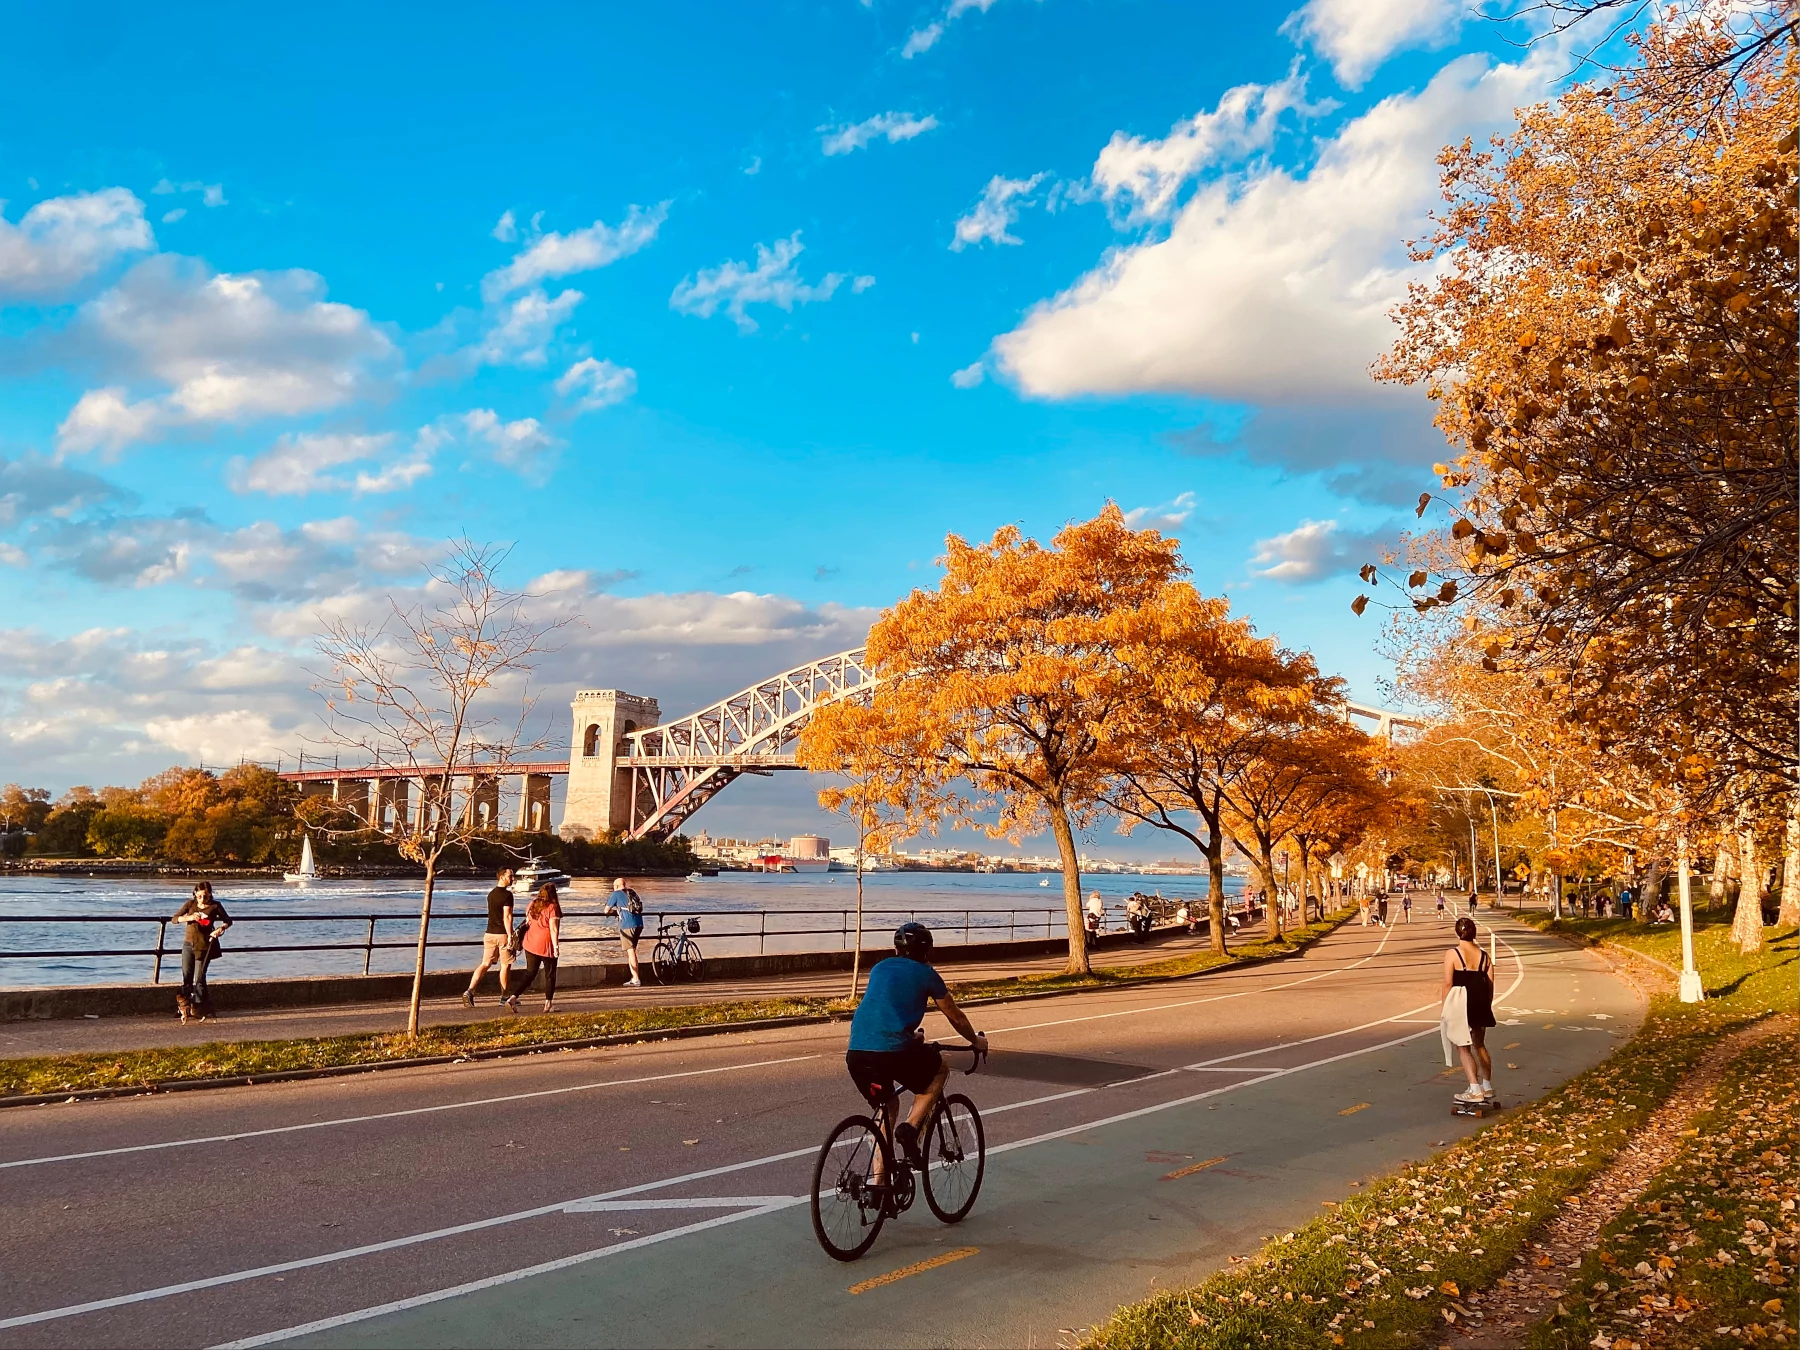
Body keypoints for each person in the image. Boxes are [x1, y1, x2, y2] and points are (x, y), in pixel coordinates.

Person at [845, 923, 986, 1174]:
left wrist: (909, 1038)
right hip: (892, 1050)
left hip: (857, 1051)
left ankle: (879, 1184)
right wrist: (976, 1041)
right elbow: (955, 1016)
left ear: (896, 949)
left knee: (887, 1107)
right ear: (927, 951)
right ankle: (910, 1129)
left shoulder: (879, 968)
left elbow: (884, 1010)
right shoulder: (926, 974)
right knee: (940, 1069)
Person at [1440, 916, 1497, 1103]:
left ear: (1458, 932)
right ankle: (1486, 1086)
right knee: (1479, 1044)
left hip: (1461, 1002)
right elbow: (1490, 984)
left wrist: (1445, 1008)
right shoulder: (1485, 956)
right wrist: (1487, 1004)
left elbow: (1448, 983)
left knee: (1462, 1046)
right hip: (1480, 1001)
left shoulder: (1453, 954)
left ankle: (1474, 1088)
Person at [170, 881, 231, 1022]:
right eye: (199, 896)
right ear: (195, 894)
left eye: (205, 896)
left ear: (210, 894)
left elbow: (228, 920)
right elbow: (174, 919)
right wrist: (190, 917)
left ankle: (199, 1008)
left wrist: (220, 929)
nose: (202, 899)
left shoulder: (215, 906)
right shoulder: (190, 905)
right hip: (188, 944)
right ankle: (183, 1008)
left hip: (204, 945)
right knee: (186, 976)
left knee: (199, 978)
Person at [464, 866, 516, 1007]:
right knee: (505, 965)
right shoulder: (507, 895)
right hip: (502, 934)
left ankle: (470, 990)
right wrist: (510, 935)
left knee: (485, 963)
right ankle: (504, 997)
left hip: (489, 933)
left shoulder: (491, 894)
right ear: (502, 877)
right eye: (510, 876)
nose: (513, 879)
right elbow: (507, 916)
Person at [507, 883, 562, 1014]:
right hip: (546, 944)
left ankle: (513, 997)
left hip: (530, 942)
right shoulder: (553, 907)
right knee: (550, 974)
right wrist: (556, 946)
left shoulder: (532, 904)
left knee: (530, 973)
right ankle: (548, 1004)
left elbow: (527, 922)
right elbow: (553, 929)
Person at [603, 876, 644, 986]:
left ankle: (636, 979)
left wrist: (614, 912)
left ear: (616, 886)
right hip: (639, 923)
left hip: (627, 925)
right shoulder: (631, 892)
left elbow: (606, 910)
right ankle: (633, 978)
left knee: (631, 952)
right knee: (633, 950)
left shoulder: (616, 894)